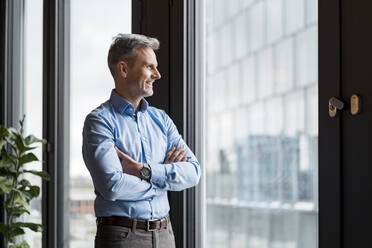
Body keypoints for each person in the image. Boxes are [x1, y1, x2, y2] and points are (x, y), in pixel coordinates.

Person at [82, 33, 201, 248]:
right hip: (122, 237)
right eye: (149, 67)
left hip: (165, 234)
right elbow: (112, 186)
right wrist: (163, 181)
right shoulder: (99, 121)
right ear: (124, 69)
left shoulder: (161, 120)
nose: (158, 74)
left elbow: (193, 172)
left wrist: (144, 171)